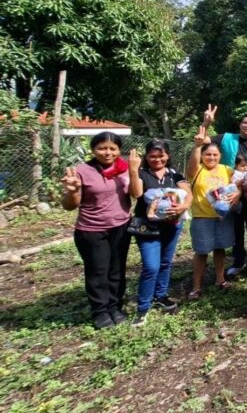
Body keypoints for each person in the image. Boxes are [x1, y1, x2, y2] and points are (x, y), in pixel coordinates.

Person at [61, 132, 134, 329]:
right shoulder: (82, 171)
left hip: (121, 226)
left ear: (119, 150)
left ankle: (115, 306)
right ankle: (100, 311)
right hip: (92, 229)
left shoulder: (124, 168)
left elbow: (135, 193)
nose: (107, 153)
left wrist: (134, 171)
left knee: (117, 269)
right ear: (93, 150)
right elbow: (69, 206)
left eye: (112, 148)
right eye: (102, 148)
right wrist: (73, 191)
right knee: (98, 271)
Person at [128, 140, 193, 326]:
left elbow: (188, 192)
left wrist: (184, 206)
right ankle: (143, 308)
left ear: (168, 156)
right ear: (146, 157)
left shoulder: (174, 174)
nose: (157, 159)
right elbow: (136, 193)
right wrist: (133, 170)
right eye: (152, 156)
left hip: (172, 225)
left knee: (165, 262)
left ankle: (161, 296)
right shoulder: (142, 173)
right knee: (151, 266)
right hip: (147, 228)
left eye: (161, 155)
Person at [200, 105, 247, 277]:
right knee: (236, 228)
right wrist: (206, 123)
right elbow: (203, 140)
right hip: (230, 193)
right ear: (240, 124)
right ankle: (238, 261)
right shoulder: (226, 138)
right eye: (246, 122)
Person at [186, 126, 240, 300]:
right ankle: (196, 286)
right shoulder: (197, 169)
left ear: (220, 156)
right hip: (202, 217)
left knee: (220, 249)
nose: (211, 157)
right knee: (201, 252)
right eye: (208, 154)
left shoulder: (227, 169)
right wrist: (197, 146)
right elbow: (190, 169)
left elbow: (239, 184)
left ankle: (220, 279)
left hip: (223, 216)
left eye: (215, 155)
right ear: (202, 155)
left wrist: (238, 194)